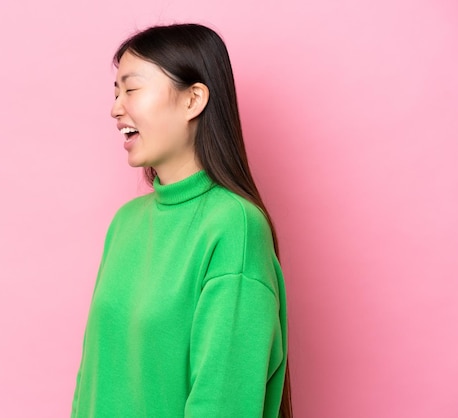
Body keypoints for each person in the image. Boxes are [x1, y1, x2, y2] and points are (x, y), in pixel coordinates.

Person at [71, 23, 292, 418]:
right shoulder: (126, 223)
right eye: (116, 92)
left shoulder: (234, 227)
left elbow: (224, 404)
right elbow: (93, 381)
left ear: (193, 100)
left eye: (131, 88)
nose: (116, 107)